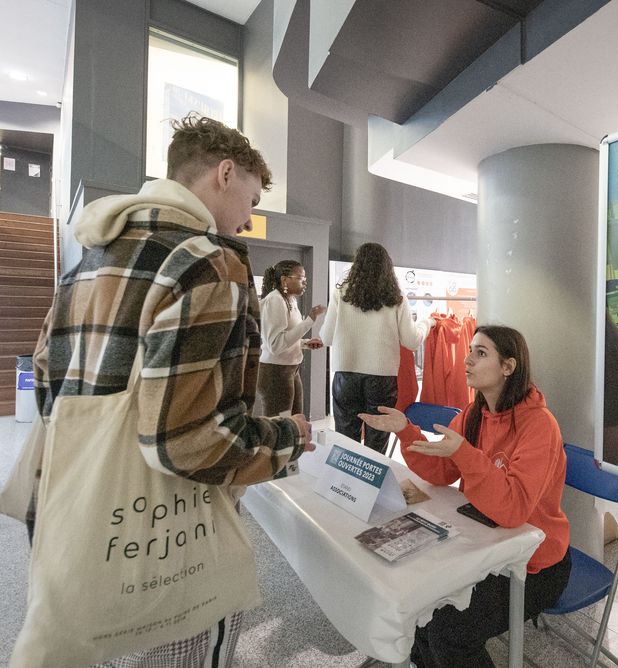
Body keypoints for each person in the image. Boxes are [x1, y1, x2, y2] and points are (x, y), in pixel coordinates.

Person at [31, 113, 314, 666]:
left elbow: (47, 375)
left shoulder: (90, 256)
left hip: (80, 510)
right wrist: (287, 437)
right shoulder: (209, 264)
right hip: (171, 530)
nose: (248, 219)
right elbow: (189, 441)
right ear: (225, 173)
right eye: (252, 201)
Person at [358, 325, 571, 668]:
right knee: (419, 613)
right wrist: (406, 431)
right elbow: (442, 472)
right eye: (470, 350)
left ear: (508, 367)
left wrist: (466, 455)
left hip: (535, 564)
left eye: (481, 353)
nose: (467, 360)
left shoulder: (540, 426)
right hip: (484, 545)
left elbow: (514, 510)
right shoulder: (473, 415)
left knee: (448, 633)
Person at [316, 242, 434, 453]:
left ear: (357, 264)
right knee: (377, 440)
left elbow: (326, 337)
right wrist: (428, 323)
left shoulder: (340, 293)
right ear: (386, 267)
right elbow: (412, 341)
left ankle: (347, 474)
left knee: (346, 439)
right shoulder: (396, 297)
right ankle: (373, 474)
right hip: (382, 379)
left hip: (346, 375)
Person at [257, 260, 327, 416]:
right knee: (281, 425)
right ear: (284, 280)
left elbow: (285, 337)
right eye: (300, 278)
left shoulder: (290, 300)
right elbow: (275, 345)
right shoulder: (275, 300)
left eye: (305, 278)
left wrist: (304, 343)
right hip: (275, 372)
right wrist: (309, 320)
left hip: (290, 369)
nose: (305, 282)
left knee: (296, 421)